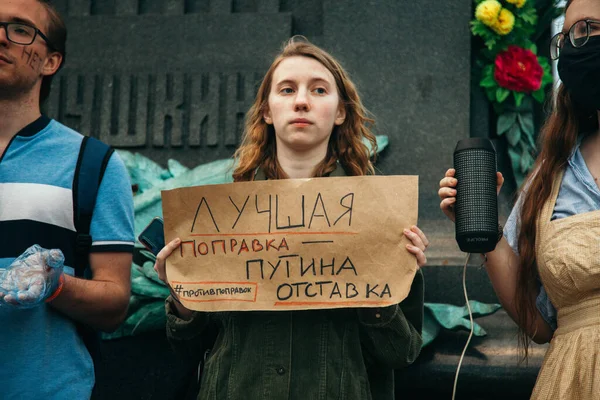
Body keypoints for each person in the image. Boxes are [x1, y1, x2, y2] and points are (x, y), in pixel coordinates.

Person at [154, 37, 428, 400]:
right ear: (267, 110)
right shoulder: (216, 214)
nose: (302, 101)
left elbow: (401, 353)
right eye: (286, 89)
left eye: (318, 89)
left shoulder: (383, 218)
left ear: (341, 111)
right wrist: (184, 297)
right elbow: (189, 348)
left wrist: (383, 281)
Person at [439, 0, 600, 398]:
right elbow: (540, 323)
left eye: (596, 27)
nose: (589, 42)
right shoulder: (553, 172)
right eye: (578, 33)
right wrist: (485, 232)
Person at [0, 0, 135, 398]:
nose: (0, 36)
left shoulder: (93, 164)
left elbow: (115, 304)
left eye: (20, 29)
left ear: (51, 61)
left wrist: (56, 284)